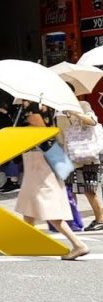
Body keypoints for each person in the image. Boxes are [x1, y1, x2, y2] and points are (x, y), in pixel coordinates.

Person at [14, 101, 90, 260]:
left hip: (38, 157)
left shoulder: (33, 106)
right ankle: (24, 241)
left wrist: (18, 131)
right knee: (30, 201)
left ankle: (78, 244)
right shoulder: (44, 104)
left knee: (44, 202)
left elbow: (39, 128)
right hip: (40, 157)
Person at [54, 94, 103, 231]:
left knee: (89, 189)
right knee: (69, 189)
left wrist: (75, 112)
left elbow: (93, 121)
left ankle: (100, 219)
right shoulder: (57, 111)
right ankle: (73, 222)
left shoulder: (82, 105)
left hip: (87, 154)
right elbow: (59, 135)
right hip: (68, 155)